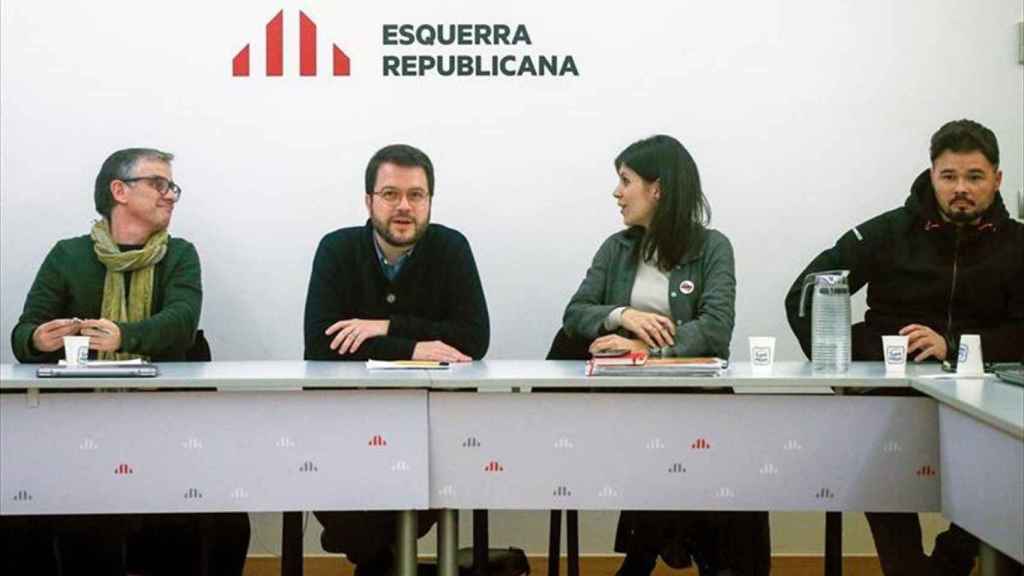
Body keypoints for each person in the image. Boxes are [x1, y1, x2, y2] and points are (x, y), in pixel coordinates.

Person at [784, 119, 1024, 575]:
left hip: (986, 392)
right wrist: (849, 364)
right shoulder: (889, 232)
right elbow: (804, 295)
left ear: (997, 178)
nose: (961, 189)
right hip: (895, 392)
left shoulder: (1018, 245)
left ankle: (955, 555)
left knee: (1007, 460)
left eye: (974, 177)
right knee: (881, 444)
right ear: (931, 175)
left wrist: (953, 346)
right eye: (948, 176)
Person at [7, 148, 250, 575]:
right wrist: (39, 339)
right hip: (79, 423)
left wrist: (124, 335)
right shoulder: (68, 255)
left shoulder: (180, 255)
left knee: (227, 516)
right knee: (26, 503)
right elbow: (23, 335)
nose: (170, 195)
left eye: (172, 186)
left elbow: (181, 323)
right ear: (119, 190)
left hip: (164, 423)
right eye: (159, 184)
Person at [562, 135, 770, 576]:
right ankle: (671, 554)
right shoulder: (615, 250)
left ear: (657, 189)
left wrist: (646, 348)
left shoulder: (713, 247)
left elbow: (715, 330)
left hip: (697, 397)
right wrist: (623, 315)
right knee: (663, 442)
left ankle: (651, 556)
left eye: (626, 181)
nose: (616, 193)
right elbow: (576, 314)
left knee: (710, 447)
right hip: (629, 400)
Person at [305, 143, 489, 575]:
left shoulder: (451, 247)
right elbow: (320, 344)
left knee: (392, 517)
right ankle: (381, 558)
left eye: (416, 195)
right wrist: (414, 348)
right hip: (348, 420)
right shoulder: (336, 249)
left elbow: (473, 339)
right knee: (353, 523)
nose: (404, 207)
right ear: (368, 200)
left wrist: (383, 327)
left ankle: (381, 560)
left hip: (431, 420)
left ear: (429, 201)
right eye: (390, 194)